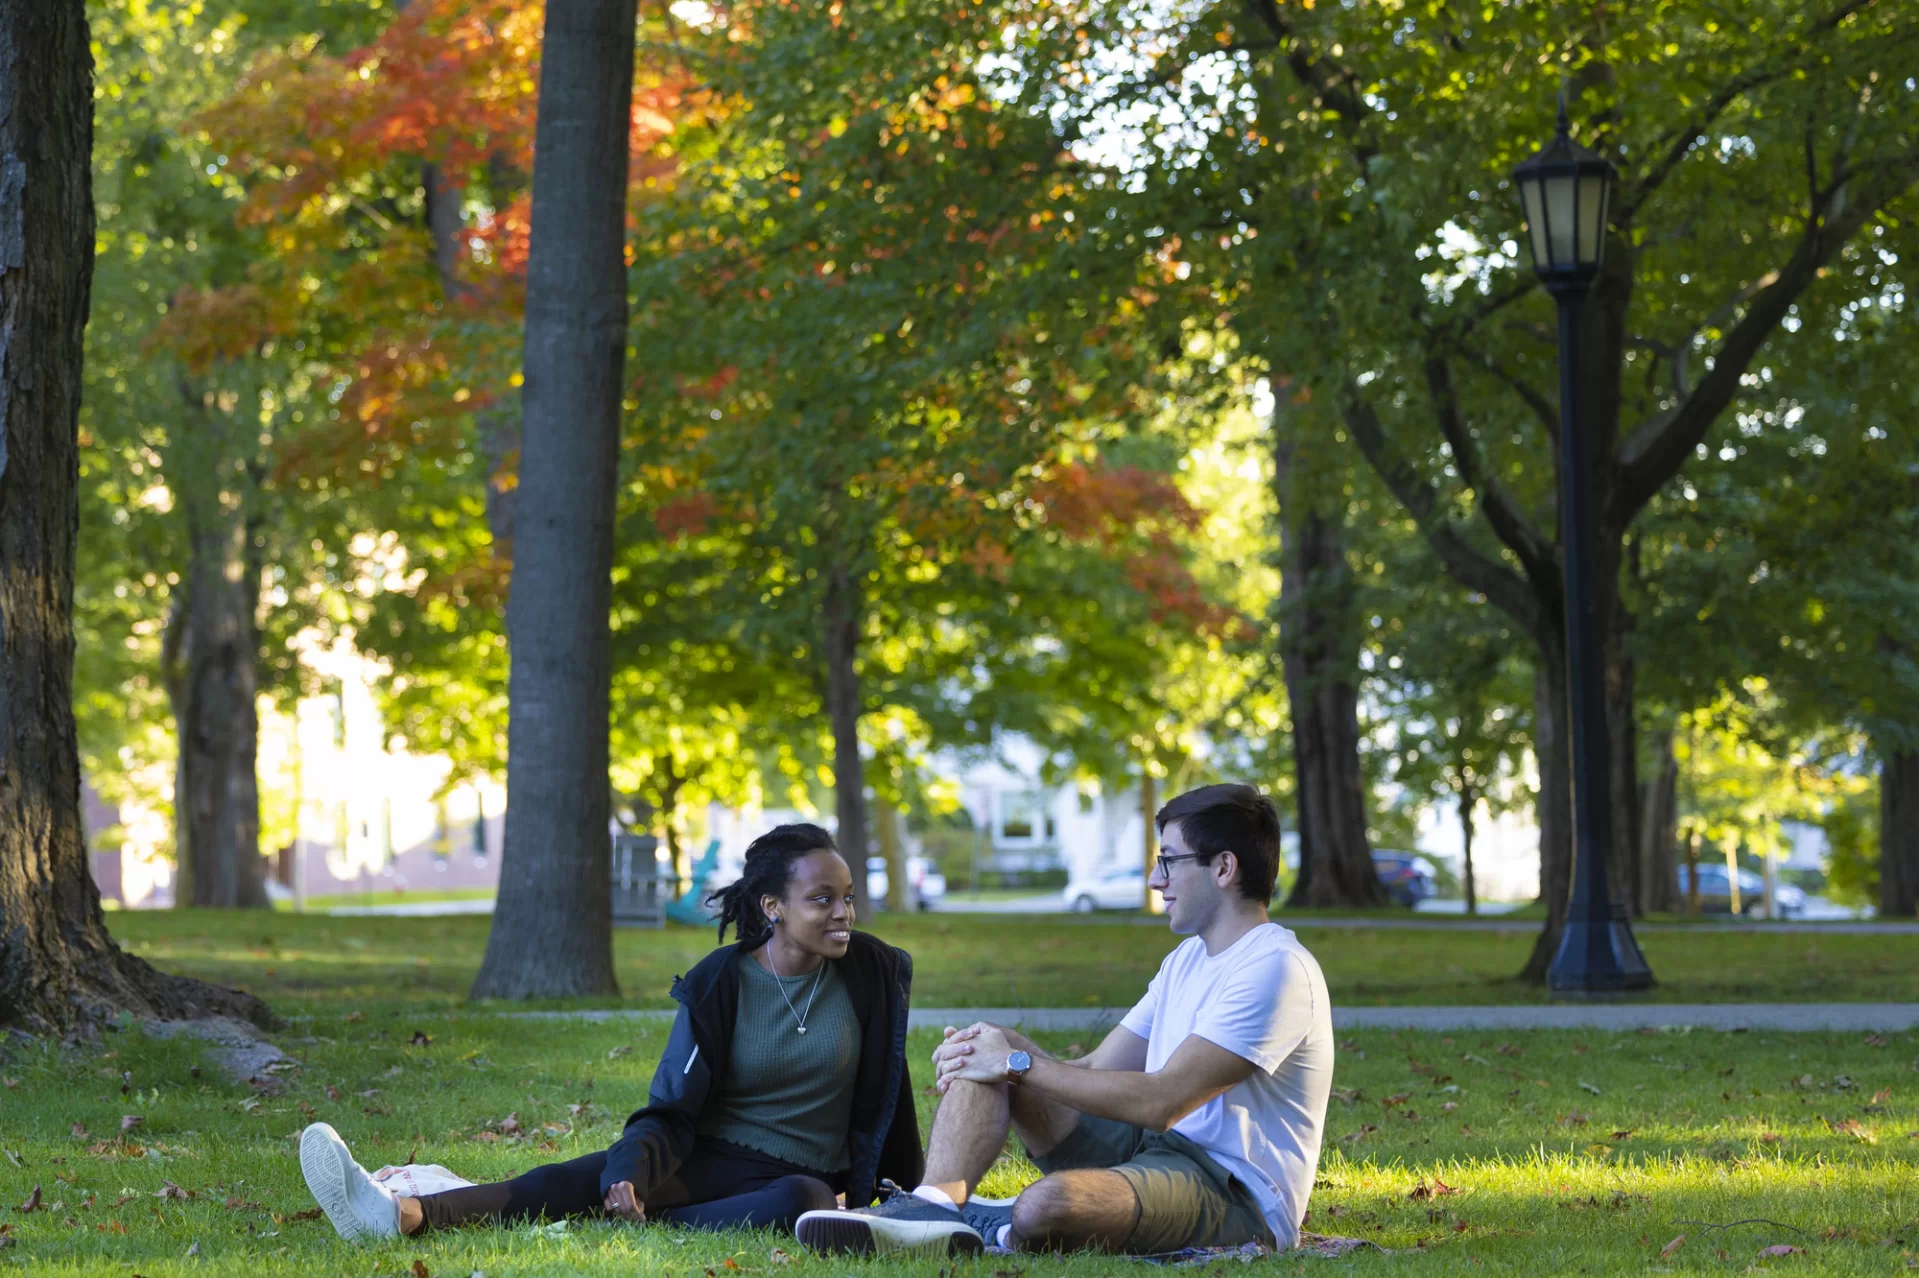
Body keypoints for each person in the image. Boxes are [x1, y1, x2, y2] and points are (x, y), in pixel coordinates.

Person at [298, 823, 924, 1241]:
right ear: (772, 907)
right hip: (714, 1157)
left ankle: (660, 1219)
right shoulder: (719, 983)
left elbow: (889, 1095)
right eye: (822, 899)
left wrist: (914, 1198)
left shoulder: (871, 971)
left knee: (803, 1200)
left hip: (806, 1174)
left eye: (846, 897)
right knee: (572, 1180)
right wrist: (629, 1173)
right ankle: (402, 1214)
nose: (843, 913)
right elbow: (670, 1109)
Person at [793, 783, 1331, 1257]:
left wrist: (1017, 1065)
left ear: (1223, 868)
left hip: (1232, 1191)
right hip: (1150, 1152)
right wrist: (991, 1058)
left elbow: (1162, 1101)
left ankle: (991, 1225)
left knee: (1044, 1208)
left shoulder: (1275, 969)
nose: (1153, 878)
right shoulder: (1187, 960)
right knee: (990, 1042)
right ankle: (932, 1209)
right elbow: (1096, 1066)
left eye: (1169, 860)